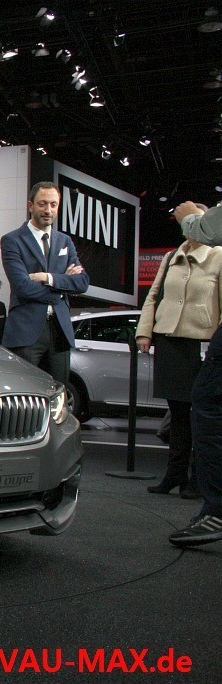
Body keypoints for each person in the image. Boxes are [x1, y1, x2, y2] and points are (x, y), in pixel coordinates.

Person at [135, 236, 222, 499]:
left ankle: (199, 477)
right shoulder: (172, 256)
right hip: (169, 340)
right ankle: (175, 474)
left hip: (203, 343)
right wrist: (144, 331)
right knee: (178, 414)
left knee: (203, 415)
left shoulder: (218, 255)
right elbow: (153, 295)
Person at [167, 201, 222, 546]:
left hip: (204, 337)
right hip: (177, 340)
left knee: (208, 404)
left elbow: (208, 228)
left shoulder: (214, 254)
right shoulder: (172, 257)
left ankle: (217, 509)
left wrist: (189, 216)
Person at [0, 181, 89, 385]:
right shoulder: (12, 240)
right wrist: (62, 288)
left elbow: (82, 282)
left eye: (53, 204)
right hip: (25, 332)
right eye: (42, 204)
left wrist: (48, 278)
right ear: (30, 206)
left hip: (60, 332)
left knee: (58, 394)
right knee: (25, 394)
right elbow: (22, 286)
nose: (48, 210)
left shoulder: (65, 241)